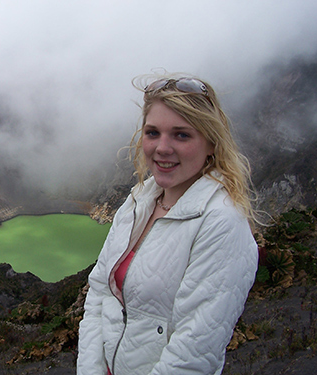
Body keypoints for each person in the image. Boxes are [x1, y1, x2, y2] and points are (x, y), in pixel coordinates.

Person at [76, 75, 259, 375]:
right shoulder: (139, 199)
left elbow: (192, 354)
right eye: (153, 132)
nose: (162, 148)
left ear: (211, 143)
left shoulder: (222, 222)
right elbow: (100, 293)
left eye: (181, 135)